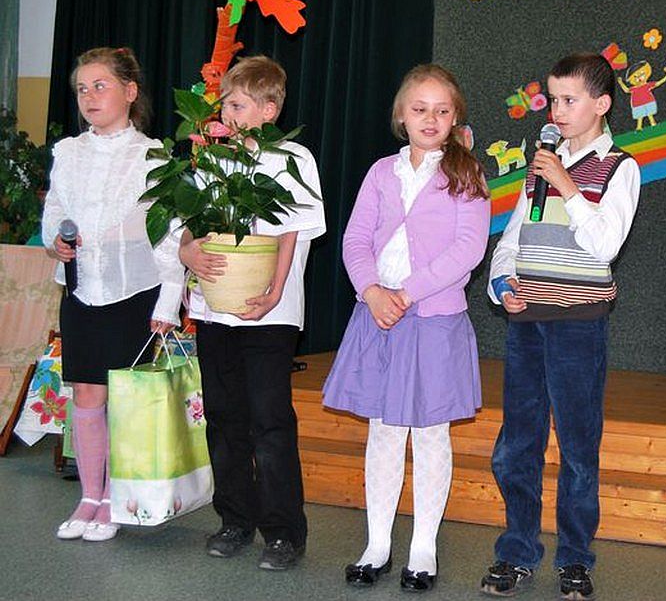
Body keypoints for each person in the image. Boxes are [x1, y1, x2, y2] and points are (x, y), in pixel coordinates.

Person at [322, 64, 491, 592]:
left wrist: (408, 292)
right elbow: (356, 239)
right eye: (420, 109)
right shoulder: (381, 173)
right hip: (379, 316)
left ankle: (423, 548)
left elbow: (468, 249)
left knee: (431, 434)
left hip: (433, 320)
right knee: (384, 432)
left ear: (455, 117)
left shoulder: (467, 175)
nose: (430, 119)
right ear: (402, 114)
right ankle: (377, 544)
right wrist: (372, 291)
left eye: (442, 110)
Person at [481, 53, 641, 601]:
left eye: (570, 100)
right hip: (528, 323)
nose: (558, 110)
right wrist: (501, 282)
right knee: (516, 445)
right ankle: (517, 551)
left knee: (577, 447)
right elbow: (514, 237)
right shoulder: (542, 165)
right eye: (553, 99)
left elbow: (606, 245)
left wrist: (568, 187)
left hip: (577, 326)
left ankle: (574, 558)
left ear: (602, 104)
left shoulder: (619, 167)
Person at [179, 55, 325, 571]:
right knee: (223, 417)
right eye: (225, 105)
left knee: (269, 420)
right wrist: (187, 252)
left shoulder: (293, 157)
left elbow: (292, 233)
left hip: (269, 312)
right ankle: (235, 518)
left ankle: (283, 531)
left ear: (269, 109)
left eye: (238, 106)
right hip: (216, 308)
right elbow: (191, 221)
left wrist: (274, 289)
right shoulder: (213, 158)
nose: (228, 114)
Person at [43, 46, 183, 542]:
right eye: (82, 89)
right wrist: (55, 241)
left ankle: (116, 498)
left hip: (134, 290)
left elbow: (170, 234)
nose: (89, 96)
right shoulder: (68, 152)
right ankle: (89, 495)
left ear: (129, 92)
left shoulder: (153, 155)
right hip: (82, 288)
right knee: (86, 393)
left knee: (125, 400)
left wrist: (169, 301)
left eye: (100, 86)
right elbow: (55, 209)